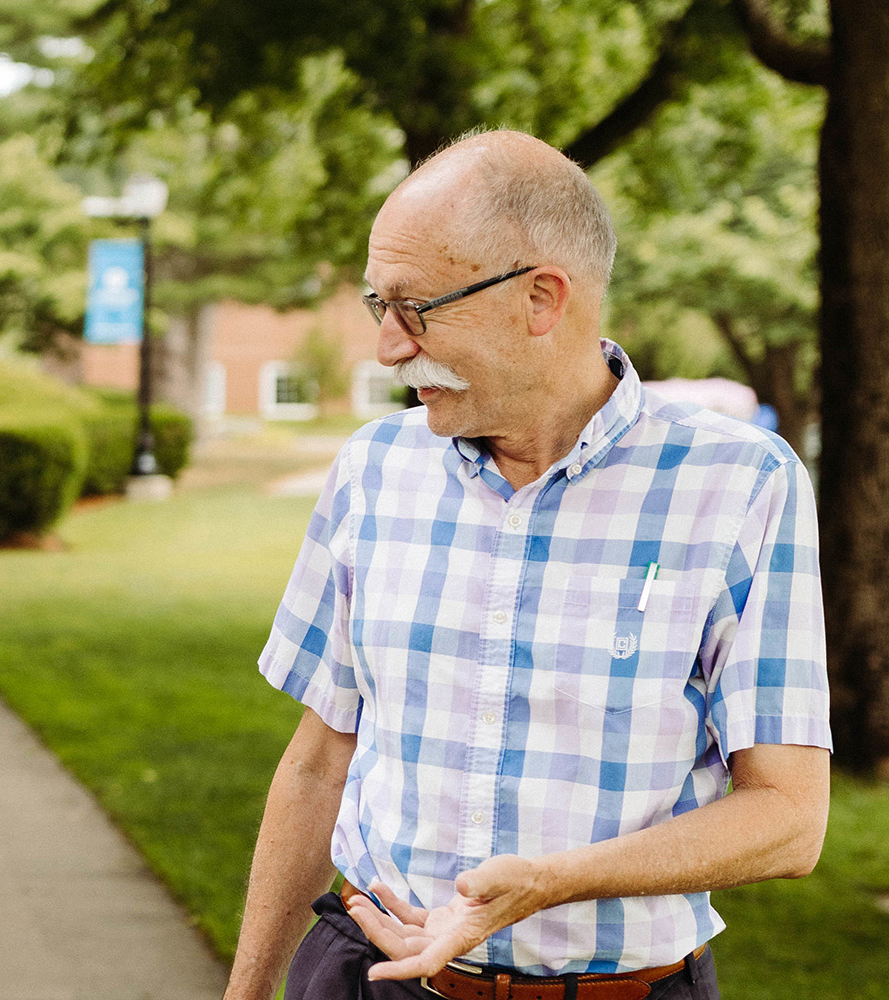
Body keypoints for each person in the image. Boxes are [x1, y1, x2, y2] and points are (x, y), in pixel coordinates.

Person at [227, 130, 832, 1000]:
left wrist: (550, 883)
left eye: (416, 308)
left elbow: (788, 819)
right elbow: (320, 760)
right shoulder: (374, 468)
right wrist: (245, 991)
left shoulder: (740, 484)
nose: (389, 347)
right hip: (369, 977)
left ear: (542, 298)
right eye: (377, 306)